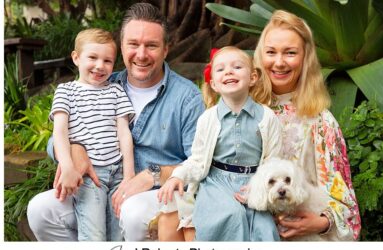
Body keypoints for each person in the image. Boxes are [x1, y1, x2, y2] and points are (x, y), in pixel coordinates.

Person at [27, 3, 205, 241]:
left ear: (165, 50)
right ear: (121, 47)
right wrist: (74, 149)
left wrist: (152, 174)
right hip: (98, 185)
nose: (141, 54)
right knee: (41, 209)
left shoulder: (186, 96)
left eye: (151, 45)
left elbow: (200, 163)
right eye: (133, 44)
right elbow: (56, 139)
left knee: (131, 212)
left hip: (156, 194)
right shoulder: (102, 84)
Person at [236, 10, 361, 240]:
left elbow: (346, 204)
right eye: (271, 52)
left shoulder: (321, 122)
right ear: (259, 56)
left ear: (305, 58)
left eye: (290, 53)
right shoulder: (239, 111)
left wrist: (321, 223)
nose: (279, 62)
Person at [158, 46, 283, 241]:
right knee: (233, 215)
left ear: (252, 77)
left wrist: (259, 187)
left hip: (254, 183)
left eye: (237, 67)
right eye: (221, 69)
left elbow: (273, 161)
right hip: (217, 184)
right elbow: (198, 159)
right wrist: (178, 176)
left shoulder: (267, 118)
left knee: (264, 228)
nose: (229, 72)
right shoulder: (208, 119)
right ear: (214, 84)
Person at [50, 28, 135, 241]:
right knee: (94, 235)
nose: (100, 66)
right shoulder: (66, 91)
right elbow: (59, 132)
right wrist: (68, 166)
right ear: (76, 58)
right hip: (89, 176)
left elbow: (124, 134)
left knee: (118, 234)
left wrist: (129, 176)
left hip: (117, 173)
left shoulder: (115, 91)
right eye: (93, 58)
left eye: (107, 61)